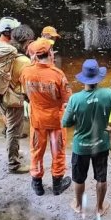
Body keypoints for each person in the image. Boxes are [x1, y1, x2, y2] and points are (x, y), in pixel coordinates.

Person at [62, 59, 111, 216]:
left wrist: (74, 113)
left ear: (83, 78)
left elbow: (66, 122)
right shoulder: (108, 94)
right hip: (101, 144)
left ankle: (78, 205)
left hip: (81, 146)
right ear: (98, 77)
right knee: (101, 177)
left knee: (79, 178)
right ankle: (99, 208)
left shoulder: (75, 99)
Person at [20, 38, 72, 196]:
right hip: (56, 119)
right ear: (50, 53)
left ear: (34, 55)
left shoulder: (26, 71)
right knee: (58, 151)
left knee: (37, 150)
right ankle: (57, 184)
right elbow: (67, 99)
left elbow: (25, 94)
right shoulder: (57, 74)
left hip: (37, 119)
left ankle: (37, 185)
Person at [0, 17, 29, 174]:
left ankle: (14, 152)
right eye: (15, 31)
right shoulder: (7, 51)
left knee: (11, 126)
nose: (18, 34)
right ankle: (14, 164)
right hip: (9, 96)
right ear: (7, 32)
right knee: (14, 128)